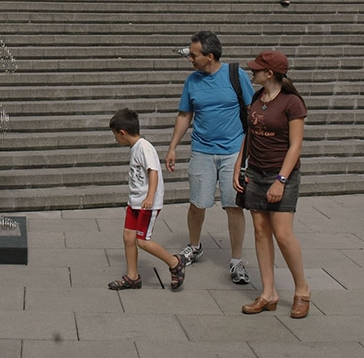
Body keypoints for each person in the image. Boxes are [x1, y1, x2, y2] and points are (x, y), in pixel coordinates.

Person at [164, 30, 254, 285]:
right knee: (197, 203)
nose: (190, 59)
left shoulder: (236, 75)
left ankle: (236, 260)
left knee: (233, 206)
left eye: (194, 55)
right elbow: (185, 115)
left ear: (210, 56)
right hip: (202, 150)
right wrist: (172, 147)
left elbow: (252, 111)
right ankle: (194, 246)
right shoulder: (192, 81)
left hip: (233, 152)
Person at [235, 50, 310, 318]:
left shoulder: (292, 102)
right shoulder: (258, 97)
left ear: (269, 74)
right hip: (255, 172)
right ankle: (268, 293)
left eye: (257, 69)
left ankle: (302, 290)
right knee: (260, 231)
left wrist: (281, 180)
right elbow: (249, 134)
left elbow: (295, 146)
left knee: (283, 234)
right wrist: (239, 166)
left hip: (281, 174)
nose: (252, 71)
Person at [108, 108, 186, 291]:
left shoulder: (144, 147)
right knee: (128, 237)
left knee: (142, 241)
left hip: (147, 204)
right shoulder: (135, 147)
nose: (115, 139)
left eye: (115, 135)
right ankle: (132, 277)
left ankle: (175, 262)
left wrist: (150, 196)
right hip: (135, 202)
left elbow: (153, 172)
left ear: (122, 132)